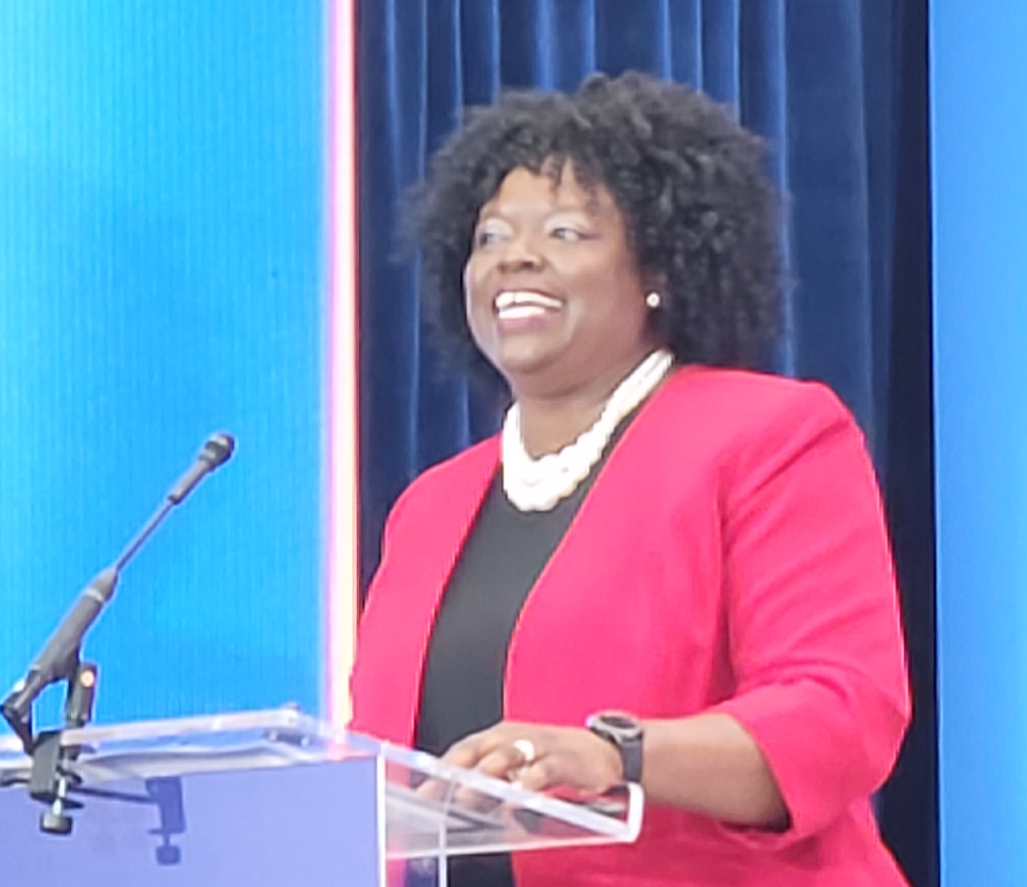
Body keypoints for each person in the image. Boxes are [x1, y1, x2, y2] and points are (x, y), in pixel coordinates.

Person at [349, 71, 911, 887]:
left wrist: (615, 753)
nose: (516, 257)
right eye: (489, 236)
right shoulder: (429, 506)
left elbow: (838, 715)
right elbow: (390, 767)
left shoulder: (767, 436)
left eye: (568, 232)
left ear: (660, 269)